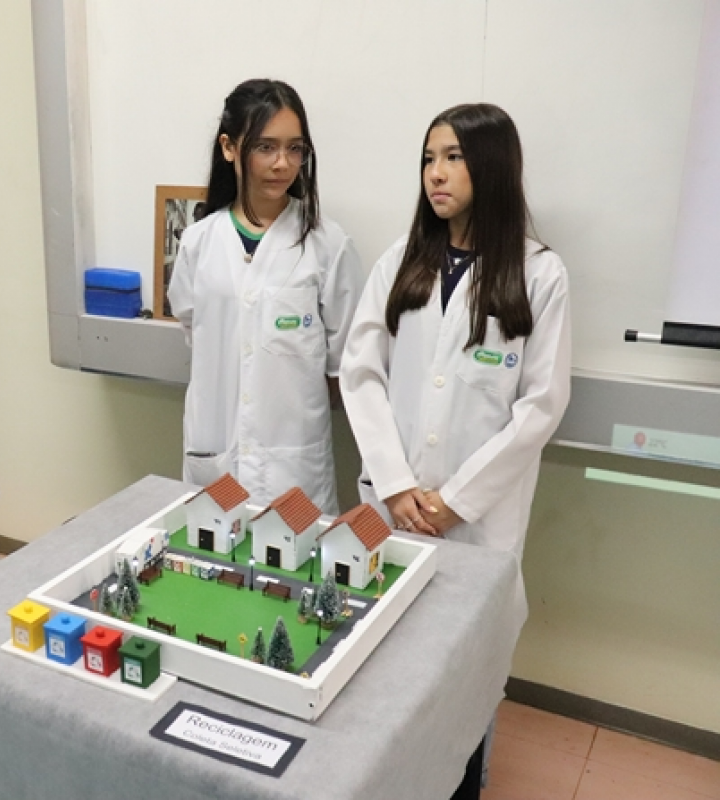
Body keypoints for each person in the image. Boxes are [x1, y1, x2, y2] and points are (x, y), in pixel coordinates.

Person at [339, 103, 572, 799]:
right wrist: (394, 483)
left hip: (476, 522)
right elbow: (360, 374)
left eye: (453, 158)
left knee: (462, 684)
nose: (435, 174)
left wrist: (454, 501)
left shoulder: (540, 275)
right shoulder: (400, 262)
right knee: (381, 670)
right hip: (393, 508)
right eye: (427, 159)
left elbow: (540, 406)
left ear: (492, 166)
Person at [167, 78, 362, 514]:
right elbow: (198, 332)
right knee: (214, 550)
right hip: (217, 456)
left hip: (294, 468)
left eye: (295, 149)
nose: (282, 163)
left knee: (294, 555)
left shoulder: (328, 245)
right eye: (265, 147)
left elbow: (340, 367)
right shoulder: (199, 242)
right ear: (229, 147)